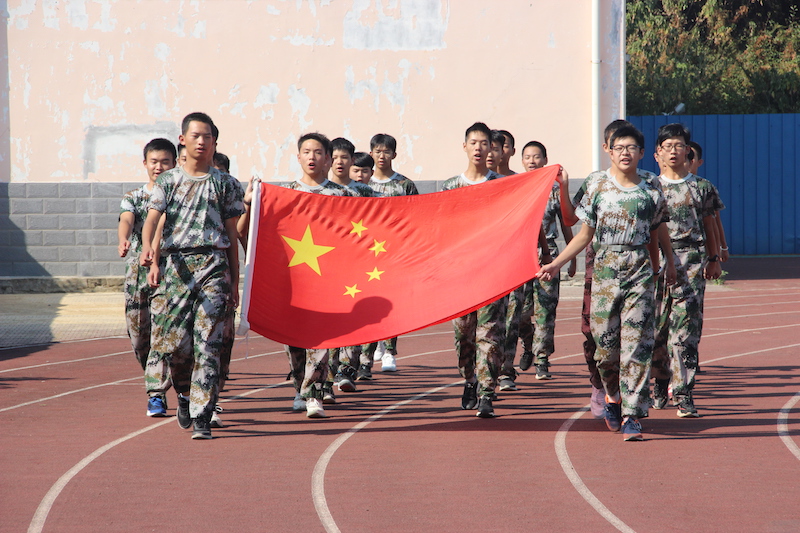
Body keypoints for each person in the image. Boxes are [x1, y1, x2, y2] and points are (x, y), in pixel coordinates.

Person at [539, 124, 669, 441]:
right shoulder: (597, 184)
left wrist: (661, 267)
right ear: (608, 150)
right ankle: (612, 396)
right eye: (619, 147)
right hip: (605, 271)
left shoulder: (651, 186)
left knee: (638, 346)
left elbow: (655, 233)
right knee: (606, 349)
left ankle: (632, 415)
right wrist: (556, 263)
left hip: (638, 269)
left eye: (632, 147)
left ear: (641, 152)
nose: (626, 153)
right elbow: (583, 233)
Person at [140, 112, 244, 440]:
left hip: (214, 268)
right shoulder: (169, 181)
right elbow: (153, 220)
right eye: (196, 136)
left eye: (208, 136)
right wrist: (150, 253)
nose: (202, 141)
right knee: (177, 347)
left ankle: (203, 413)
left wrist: (235, 280)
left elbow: (231, 233)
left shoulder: (226, 184)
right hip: (176, 268)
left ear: (215, 142)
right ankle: (184, 394)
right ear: (183, 140)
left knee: (208, 343)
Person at [652, 123, 722, 418]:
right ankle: (660, 382)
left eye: (678, 146)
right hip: (653, 263)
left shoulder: (701, 187)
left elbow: (710, 224)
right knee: (655, 329)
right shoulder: (648, 187)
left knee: (686, 331)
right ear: (657, 153)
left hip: (690, 261)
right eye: (667, 146)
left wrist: (714, 257)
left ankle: (684, 394)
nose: (673, 151)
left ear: (687, 151)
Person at [283, 132, 353, 418]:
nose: (312, 157)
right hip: (293, 278)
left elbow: (351, 235)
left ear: (327, 157)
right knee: (294, 340)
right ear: (298, 157)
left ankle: (314, 393)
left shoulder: (340, 195)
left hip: (327, 278)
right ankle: (301, 386)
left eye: (318, 152)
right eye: (306, 152)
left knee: (321, 339)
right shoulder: (285, 193)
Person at [441, 122, 507, 418]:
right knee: (464, 336)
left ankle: (486, 392)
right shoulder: (450, 187)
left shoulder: (502, 185)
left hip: (493, 272)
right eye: (473, 142)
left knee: (489, 336)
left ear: (492, 148)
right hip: (460, 276)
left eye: (484, 143)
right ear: (464, 146)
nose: (479, 148)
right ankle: (469, 379)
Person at [118, 138, 176, 417]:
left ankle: (156, 393)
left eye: (165, 161)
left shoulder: (178, 195)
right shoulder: (135, 196)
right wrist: (123, 239)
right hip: (137, 274)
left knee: (161, 335)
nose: (159, 167)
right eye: (154, 161)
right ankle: (155, 375)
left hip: (169, 273)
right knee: (139, 335)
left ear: (174, 163)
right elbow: (126, 219)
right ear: (145, 164)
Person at [513, 141, 576, 381]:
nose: (532, 161)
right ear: (522, 161)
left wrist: (570, 258)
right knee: (519, 312)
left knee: (545, 311)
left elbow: (566, 224)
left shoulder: (554, 190)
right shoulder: (517, 187)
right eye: (527, 157)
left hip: (548, 253)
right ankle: (528, 343)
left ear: (545, 160)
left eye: (536, 156)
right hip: (521, 256)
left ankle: (542, 360)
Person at [364, 133, 419, 372]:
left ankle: (389, 351)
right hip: (367, 253)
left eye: (386, 151)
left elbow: (417, 217)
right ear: (371, 154)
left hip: (395, 252)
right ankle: (369, 350)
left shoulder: (404, 185)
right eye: (377, 151)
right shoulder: (363, 183)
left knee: (393, 302)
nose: (381, 156)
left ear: (394, 155)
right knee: (370, 302)